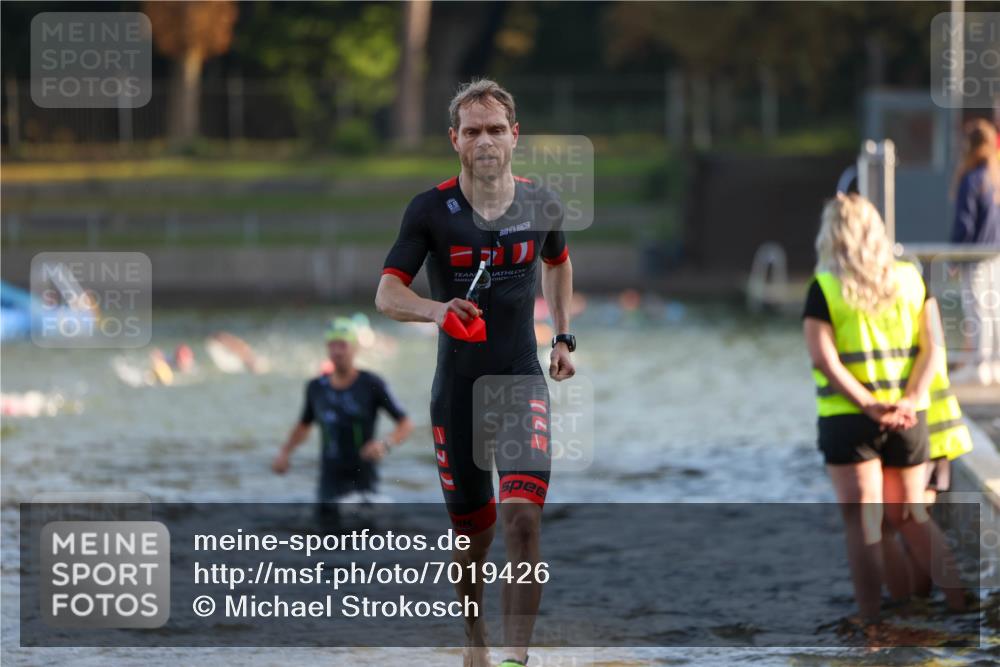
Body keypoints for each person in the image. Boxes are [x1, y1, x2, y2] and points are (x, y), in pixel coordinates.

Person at [375, 79, 575, 667]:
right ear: (454, 141)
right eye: (472, 131)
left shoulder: (542, 203)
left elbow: (558, 263)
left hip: (519, 379)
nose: (484, 141)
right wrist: (437, 310)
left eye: (495, 130)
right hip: (456, 392)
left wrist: (562, 336)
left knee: (523, 520)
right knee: (473, 537)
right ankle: (474, 639)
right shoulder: (431, 210)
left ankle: (516, 658)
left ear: (515, 136)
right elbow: (387, 293)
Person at [802, 193, 968, 626]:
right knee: (912, 516)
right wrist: (910, 400)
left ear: (831, 236)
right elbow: (935, 347)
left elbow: (823, 358)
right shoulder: (911, 279)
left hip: (850, 420)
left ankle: (872, 625)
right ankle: (961, 605)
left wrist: (869, 405)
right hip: (908, 418)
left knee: (866, 525)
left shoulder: (825, 287)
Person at [272, 318, 414, 511]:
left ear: (354, 348)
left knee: (365, 536)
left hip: (363, 479)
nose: (337, 351)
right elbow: (304, 425)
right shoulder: (316, 387)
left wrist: (385, 444)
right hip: (330, 480)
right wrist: (285, 453)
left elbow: (405, 423)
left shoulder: (372, 384)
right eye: (332, 345)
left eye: (342, 345)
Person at [949, 118, 1000, 386]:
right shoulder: (994, 178)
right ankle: (992, 364)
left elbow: (964, 222)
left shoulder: (972, 179)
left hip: (976, 255)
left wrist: (955, 257)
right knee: (993, 310)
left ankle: (981, 366)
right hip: (995, 254)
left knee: (978, 308)